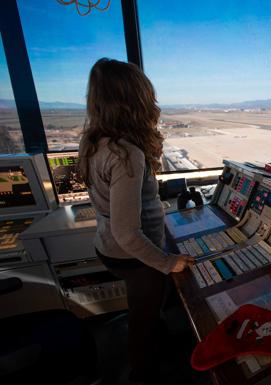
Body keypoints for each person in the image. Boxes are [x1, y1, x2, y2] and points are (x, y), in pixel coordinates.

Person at [78, 58, 195, 384]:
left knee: (145, 309)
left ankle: (160, 341)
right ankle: (143, 374)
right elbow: (128, 232)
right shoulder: (126, 154)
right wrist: (167, 262)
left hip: (108, 247)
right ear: (136, 100)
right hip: (133, 254)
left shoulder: (93, 142)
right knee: (143, 321)